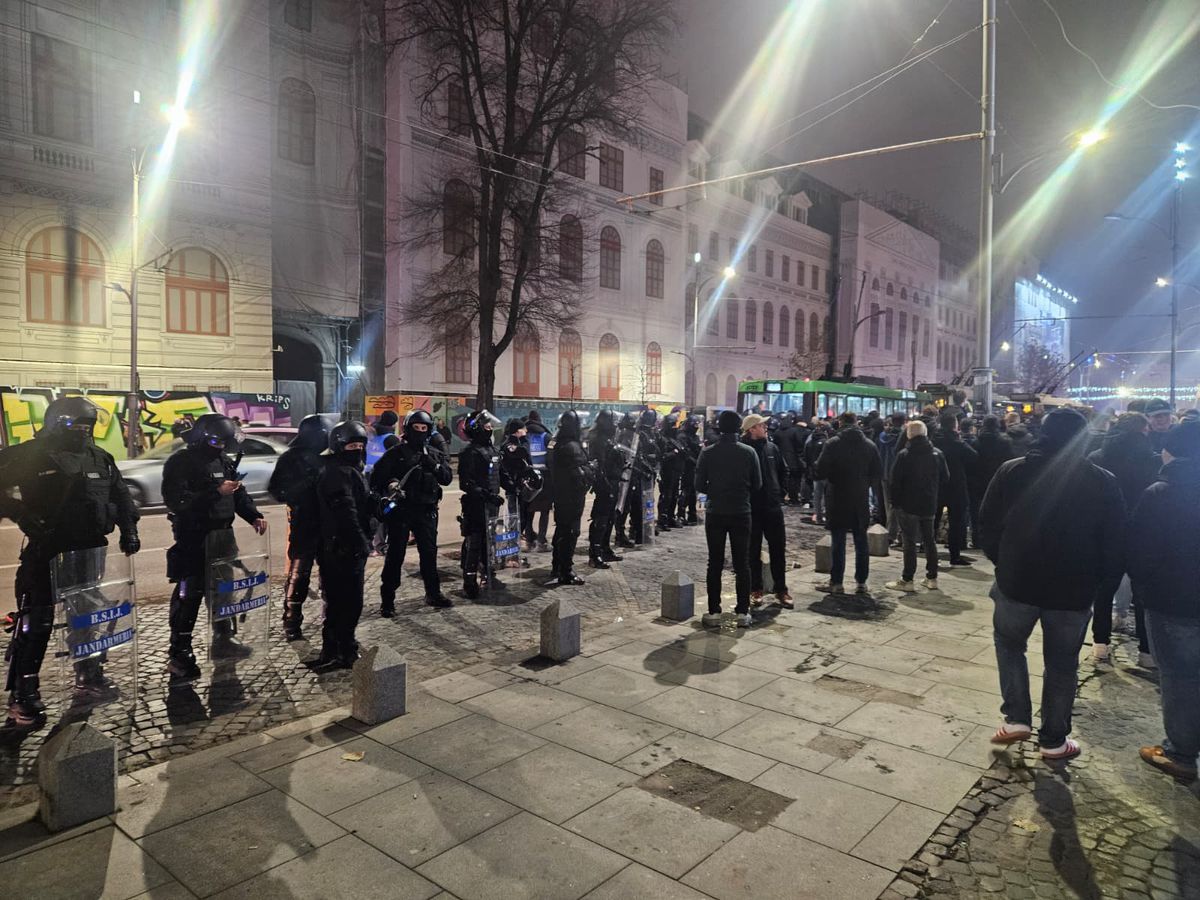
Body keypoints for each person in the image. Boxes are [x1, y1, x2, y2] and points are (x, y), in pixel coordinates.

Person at [979, 408, 1125, 761]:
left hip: (1018, 582)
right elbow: (1115, 541)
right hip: (1072, 590)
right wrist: (1100, 582)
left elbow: (986, 523)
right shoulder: (1103, 480)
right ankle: (1054, 739)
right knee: (1062, 663)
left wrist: (1004, 560)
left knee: (1009, 645)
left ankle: (1016, 718)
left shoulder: (1012, 471)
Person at [0, 397, 140, 728]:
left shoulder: (99, 456)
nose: (82, 431)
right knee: (37, 623)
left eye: (87, 426)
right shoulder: (29, 454)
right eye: (75, 424)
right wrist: (21, 513)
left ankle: (89, 678)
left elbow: (120, 496)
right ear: (57, 422)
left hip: (90, 552)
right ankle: (23, 694)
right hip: (48, 551)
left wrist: (129, 530)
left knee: (86, 618)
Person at [163, 414, 267, 683]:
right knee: (190, 596)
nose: (219, 446)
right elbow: (176, 501)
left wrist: (253, 515)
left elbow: (238, 493)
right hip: (194, 537)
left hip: (223, 537)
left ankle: (224, 638)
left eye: (223, 442)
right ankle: (179, 652)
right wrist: (215, 493)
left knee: (223, 592)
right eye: (214, 441)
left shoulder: (224, 460)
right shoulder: (181, 462)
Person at [1128, 421, 1200, 782]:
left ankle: (1181, 752)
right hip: (1179, 596)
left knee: (1180, 676)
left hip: (1174, 600)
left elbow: (1140, 552)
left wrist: (1143, 589)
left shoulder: (1162, 492)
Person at [1087, 412, 1161, 663]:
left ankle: (1100, 642)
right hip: (1142, 533)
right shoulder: (1152, 461)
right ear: (1142, 431)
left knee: (1104, 589)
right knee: (1141, 591)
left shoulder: (1098, 458)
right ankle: (1146, 650)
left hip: (1107, 532)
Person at [371, 409, 454, 613]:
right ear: (408, 430)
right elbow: (377, 479)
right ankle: (388, 599)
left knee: (429, 554)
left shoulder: (433, 454)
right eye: (415, 428)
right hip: (402, 512)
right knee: (395, 555)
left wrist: (433, 466)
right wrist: (391, 484)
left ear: (428, 431)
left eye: (423, 428)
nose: (419, 431)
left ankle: (433, 593)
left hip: (426, 511)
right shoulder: (395, 454)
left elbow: (446, 477)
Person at [313, 421, 374, 668]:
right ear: (339, 446)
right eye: (351, 445)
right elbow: (345, 512)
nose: (356, 449)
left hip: (342, 546)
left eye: (360, 445)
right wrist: (360, 541)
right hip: (341, 548)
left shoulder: (349, 471)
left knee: (340, 601)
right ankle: (343, 648)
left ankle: (334, 647)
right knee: (346, 602)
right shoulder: (337, 473)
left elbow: (360, 503)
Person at [696, 410, 761, 627]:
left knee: (714, 562)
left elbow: (698, 485)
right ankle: (742, 611)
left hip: (716, 512)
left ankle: (714, 611)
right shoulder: (749, 452)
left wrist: (715, 490)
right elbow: (757, 483)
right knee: (742, 562)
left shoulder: (708, 453)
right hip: (741, 511)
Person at [268, 414, 328, 640]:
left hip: (329, 522)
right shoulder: (291, 458)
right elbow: (277, 490)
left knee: (330, 574)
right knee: (299, 574)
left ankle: (329, 618)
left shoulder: (329, 455)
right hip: (305, 522)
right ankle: (292, 620)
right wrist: (305, 486)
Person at [814, 412, 885, 597]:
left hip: (837, 496)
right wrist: (865, 484)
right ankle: (861, 582)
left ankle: (836, 582)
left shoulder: (833, 444)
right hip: (860, 498)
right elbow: (877, 472)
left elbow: (820, 471)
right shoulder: (869, 445)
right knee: (861, 541)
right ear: (857, 423)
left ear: (840, 423)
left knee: (838, 540)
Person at [885, 420, 949, 593]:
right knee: (930, 540)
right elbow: (945, 478)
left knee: (909, 542)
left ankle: (907, 579)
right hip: (929, 503)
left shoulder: (904, 455)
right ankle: (932, 577)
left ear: (909, 435)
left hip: (907, 504)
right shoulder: (937, 454)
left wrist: (895, 502)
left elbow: (895, 482)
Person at [742, 414, 791, 608]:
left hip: (772, 507)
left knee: (778, 549)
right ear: (752, 429)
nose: (766, 427)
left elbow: (782, 470)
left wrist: (780, 492)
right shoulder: (744, 451)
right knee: (752, 551)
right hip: (752, 508)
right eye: (762, 425)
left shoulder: (772, 448)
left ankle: (782, 589)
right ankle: (756, 589)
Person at [458, 410, 504, 598]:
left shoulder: (492, 450)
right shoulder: (469, 452)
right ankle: (469, 581)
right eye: (487, 426)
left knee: (489, 541)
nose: (490, 429)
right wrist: (485, 495)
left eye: (490, 426)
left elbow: (500, 474)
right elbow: (466, 483)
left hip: (492, 504)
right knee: (475, 542)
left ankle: (488, 572)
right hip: (476, 505)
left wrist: (515, 485)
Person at [546, 411, 590, 586]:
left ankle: (557, 565)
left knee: (561, 530)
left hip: (560, 494)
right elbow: (579, 473)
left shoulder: (557, 442)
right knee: (570, 533)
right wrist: (590, 470)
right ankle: (566, 571)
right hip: (572, 496)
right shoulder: (572, 446)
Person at [932, 413, 977, 566]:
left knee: (933, 521)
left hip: (936, 486)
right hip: (956, 486)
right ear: (954, 425)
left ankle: (930, 553)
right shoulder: (958, 443)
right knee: (957, 522)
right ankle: (955, 555)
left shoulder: (933, 441)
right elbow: (973, 457)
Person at [968, 416, 1014, 550]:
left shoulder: (976, 442)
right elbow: (1010, 460)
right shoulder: (1005, 442)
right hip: (998, 482)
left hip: (978, 483)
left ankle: (977, 540)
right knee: (997, 512)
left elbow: (971, 463)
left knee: (976, 513)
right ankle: (997, 539)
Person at [586, 410, 624, 569]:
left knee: (609, 518)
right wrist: (605, 484)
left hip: (613, 482)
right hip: (605, 484)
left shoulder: (608, 438)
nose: (615, 425)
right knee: (600, 519)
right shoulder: (599, 440)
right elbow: (599, 464)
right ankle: (595, 554)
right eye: (613, 421)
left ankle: (605, 548)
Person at [523, 410, 552, 551]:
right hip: (545, 478)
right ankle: (541, 541)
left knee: (529, 510)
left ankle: (529, 539)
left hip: (529, 479)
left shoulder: (525, 435)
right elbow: (552, 457)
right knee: (544, 511)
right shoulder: (546, 436)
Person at [612, 412, 639, 548]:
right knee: (622, 505)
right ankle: (619, 533)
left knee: (625, 505)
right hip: (624, 474)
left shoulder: (630, 434)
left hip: (629, 473)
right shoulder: (624, 434)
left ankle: (620, 532)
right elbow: (624, 453)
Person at [657, 413, 684, 530]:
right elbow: (661, 456)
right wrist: (673, 453)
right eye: (672, 424)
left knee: (674, 496)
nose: (675, 427)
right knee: (666, 496)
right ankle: (662, 520)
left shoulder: (675, 438)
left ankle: (670, 517)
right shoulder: (662, 438)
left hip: (676, 470)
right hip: (666, 471)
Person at [675, 414, 702, 525]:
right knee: (686, 490)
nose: (696, 427)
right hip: (686, 467)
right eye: (694, 424)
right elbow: (684, 453)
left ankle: (692, 513)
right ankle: (681, 514)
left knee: (692, 491)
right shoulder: (682, 436)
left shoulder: (694, 436)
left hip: (694, 466)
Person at [804, 421, 830, 525]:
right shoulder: (826, 443)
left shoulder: (809, 443)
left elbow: (806, 457)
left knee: (817, 495)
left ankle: (818, 516)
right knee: (826, 495)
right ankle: (825, 515)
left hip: (814, 472)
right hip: (826, 472)